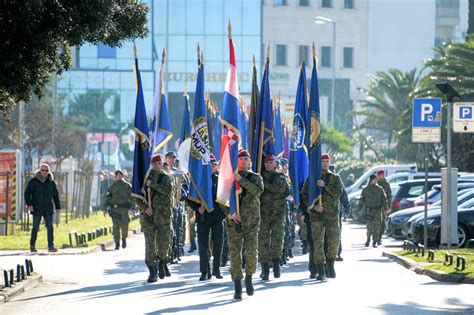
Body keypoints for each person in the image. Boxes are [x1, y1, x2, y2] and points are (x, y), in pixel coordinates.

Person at [227, 150, 264, 300]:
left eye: (245, 159)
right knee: (235, 255)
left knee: (251, 252)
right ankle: (237, 285)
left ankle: (249, 278)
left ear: (250, 161)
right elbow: (223, 198)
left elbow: (258, 191)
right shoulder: (229, 179)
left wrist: (240, 180)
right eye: (240, 158)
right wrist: (231, 213)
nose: (243, 161)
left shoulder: (256, 177)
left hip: (251, 222)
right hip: (234, 221)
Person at [302, 153, 343, 281]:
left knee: (334, 241)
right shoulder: (311, 179)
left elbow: (338, 194)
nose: (324, 163)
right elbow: (304, 196)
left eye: (326, 161)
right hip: (317, 216)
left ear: (329, 163)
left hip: (331, 216)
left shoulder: (335, 178)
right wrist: (314, 207)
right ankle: (320, 269)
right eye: (322, 161)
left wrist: (325, 185)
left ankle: (330, 264)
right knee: (317, 244)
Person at [136, 154, 175, 283]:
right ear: (151, 164)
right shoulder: (144, 177)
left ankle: (162, 261)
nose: (157, 165)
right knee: (150, 245)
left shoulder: (167, 177)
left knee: (164, 244)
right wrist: (144, 208)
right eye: (155, 163)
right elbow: (137, 196)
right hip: (149, 217)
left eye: (159, 163)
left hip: (164, 216)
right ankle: (152, 271)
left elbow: (167, 190)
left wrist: (152, 184)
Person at [186, 154, 226, 281]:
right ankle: (204, 271)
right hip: (202, 217)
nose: (212, 167)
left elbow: (225, 198)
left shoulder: (220, 180)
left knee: (218, 243)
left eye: (214, 165)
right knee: (203, 246)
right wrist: (197, 207)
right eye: (210, 165)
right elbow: (190, 198)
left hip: (217, 216)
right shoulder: (198, 181)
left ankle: (216, 269)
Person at [259, 154, 290, 280]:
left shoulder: (281, 177)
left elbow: (279, 189)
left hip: (277, 214)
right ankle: (265, 269)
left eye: (271, 162)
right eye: (266, 162)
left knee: (277, 241)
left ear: (275, 164)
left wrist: (263, 184)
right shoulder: (259, 176)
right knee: (263, 242)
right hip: (263, 214)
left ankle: (276, 266)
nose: (268, 164)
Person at [24, 163, 61, 253]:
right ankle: (32, 246)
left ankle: (51, 246)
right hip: (36, 208)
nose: (44, 172)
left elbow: (55, 195)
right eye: (43, 170)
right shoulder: (33, 181)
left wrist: (58, 207)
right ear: (39, 171)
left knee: (50, 227)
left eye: (46, 170)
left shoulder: (51, 182)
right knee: (35, 227)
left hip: (48, 208)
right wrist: (29, 205)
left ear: (49, 172)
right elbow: (27, 193)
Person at [104, 170, 132, 250]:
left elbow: (132, 198)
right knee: (116, 227)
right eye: (118, 175)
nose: (119, 176)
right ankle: (117, 243)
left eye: (121, 175)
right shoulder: (112, 186)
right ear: (115, 176)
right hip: (115, 210)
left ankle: (123, 239)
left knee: (124, 227)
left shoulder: (127, 186)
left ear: (123, 176)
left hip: (124, 210)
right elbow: (108, 198)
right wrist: (105, 208)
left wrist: (133, 208)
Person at [359, 174, 388, 248]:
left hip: (378, 210)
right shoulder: (366, 189)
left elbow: (384, 199)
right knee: (369, 227)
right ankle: (368, 239)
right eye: (374, 179)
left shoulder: (380, 189)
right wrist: (360, 209)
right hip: (369, 210)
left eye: (376, 179)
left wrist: (385, 208)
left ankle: (375, 241)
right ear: (371, 180)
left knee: (377, 227)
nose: (375, 181)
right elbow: (362, 199)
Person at [376, 169, 392, 245]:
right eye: (378, 175)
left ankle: (379, 238)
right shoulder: (375, 183)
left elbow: (389, 196)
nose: (380, 176)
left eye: (381, 175)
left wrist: (389, 207)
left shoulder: (386, 185)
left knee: (382, 224)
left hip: (384, 207)